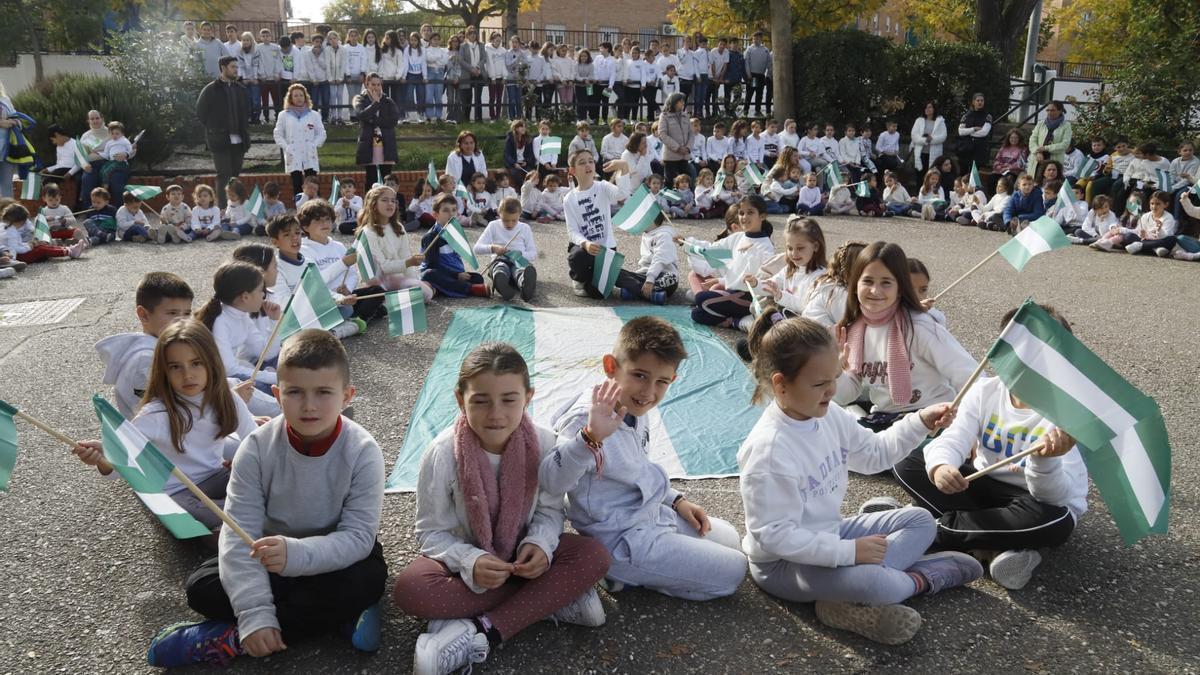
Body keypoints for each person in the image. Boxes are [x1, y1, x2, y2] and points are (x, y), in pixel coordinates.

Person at [147, 330, 388, 667]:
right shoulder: (257, 447)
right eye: (294, 392)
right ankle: (333, 619)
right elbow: (236, 530)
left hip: (336, 553)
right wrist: (254, 611)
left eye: (323, 392)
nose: (308, 405)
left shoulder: (363, 451)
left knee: (367, 581)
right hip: (267, 550)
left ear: (347, 395)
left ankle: (229, 641)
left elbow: (359, 538)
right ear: (276, 395)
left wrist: (296, 555)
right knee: (202, 586)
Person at [738, 313, 975, 645]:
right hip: (782, 566)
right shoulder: (769, 451)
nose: (832, 390)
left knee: (921, 520)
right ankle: (918, 579)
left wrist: (920, 421)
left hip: (829, 534)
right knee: (877, 584)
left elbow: (874, 454)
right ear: (781, 384)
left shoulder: (828, 412)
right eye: (820, 384)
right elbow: (774, 537)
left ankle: (842, 600)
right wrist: (849, 553)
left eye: (834, 378)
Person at [393, 343, 610, 675]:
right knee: (411, 589)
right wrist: (471, 560)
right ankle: (551, 600)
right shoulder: (441, 454)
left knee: (594, 555)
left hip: (524, 562)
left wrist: (539, 544)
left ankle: (478, 630)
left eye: (509, 400)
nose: (496, 414)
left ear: (528, 396)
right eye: (480, 401)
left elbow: (551, 511)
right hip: (468, 567)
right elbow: (431, 532)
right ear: (459, 400)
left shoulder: (546, 443)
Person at [542, 316, 748, 599]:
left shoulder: (634, 407)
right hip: (622, 541)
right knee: (734, 571)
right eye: (639, 375)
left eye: (661, 381)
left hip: (651, 515)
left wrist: (676, 500)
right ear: (611, 367)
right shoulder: (586, 418)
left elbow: (639, 469)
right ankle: (621, 573)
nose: (649, 392)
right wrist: (589, 437)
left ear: (672, 379)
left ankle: (644, 572)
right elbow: (551, 481)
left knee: (732, 539)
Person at [893, 305, 1087, 590]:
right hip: (982, 485)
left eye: (1041, 358)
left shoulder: (1065, 412)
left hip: (1031, 500)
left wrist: (1046, 461)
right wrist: (941, 466)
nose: (1027, 365)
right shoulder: (985, 391)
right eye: (1017, 353)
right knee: (908, 461)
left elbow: (1057, 497)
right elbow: (954, 437)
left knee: (1054, 521)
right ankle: (997, 546)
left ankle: (924, 527)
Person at [79, 319, 257, 537]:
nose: (187, 374)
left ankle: (240, 520)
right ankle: (237, 524)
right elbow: (119, 466)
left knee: (264, 485)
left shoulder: (227, 398)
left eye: (196, 363)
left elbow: (255, 440)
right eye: (175, 367)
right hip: (177, 493)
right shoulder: (155, 415)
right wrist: (102, 456)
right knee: (204, 519)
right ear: (164, 371)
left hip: (217, 476)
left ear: (211, 362)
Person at [834, 242, 977, 434]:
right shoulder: (853, 330)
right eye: (867, 281)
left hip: (932, 420)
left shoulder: (919, 327)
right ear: (854, 285)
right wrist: (834, 372)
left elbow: (970, 376)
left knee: (894, 464)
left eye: (886, 282)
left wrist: (970, 428)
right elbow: (846, 395)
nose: (875, 291)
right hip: (885, 420)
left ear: (900, 288)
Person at [688, 195, 776, 331]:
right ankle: (733, 320)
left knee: (701, 299)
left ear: (762, 216)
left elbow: (764, 277)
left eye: (750, 212)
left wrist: (751, 259)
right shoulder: (738, 237)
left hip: (747, 296)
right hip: (731, 291)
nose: (744, 217)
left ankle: (738, 320)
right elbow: (712, 249)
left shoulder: (765, 246)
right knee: (697, 314)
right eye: (741, 213)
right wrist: (688, 243)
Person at [298, 199, 384, 335]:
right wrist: (343, 263)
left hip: (345, 297)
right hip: (323, 301)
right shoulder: (303, 250)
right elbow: (316, 283)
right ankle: (356, 320)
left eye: (327, 219)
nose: (324, 223)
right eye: (318, 220)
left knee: (377, 291)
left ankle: (356, 319)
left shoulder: (338, 246)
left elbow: (352, 274)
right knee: (358, 308)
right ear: (305, 227)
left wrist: (348, 290)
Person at [198, 261, 281, 393]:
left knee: (287, 358)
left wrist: (274, 321)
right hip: (220, 381)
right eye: (260, 290)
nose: (263, 295)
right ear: (245, 297)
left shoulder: (242, 315)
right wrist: (273, 377)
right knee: (267, 388)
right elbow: (229, 369)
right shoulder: (220, 321)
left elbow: (266, 354)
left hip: (238, 370)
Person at [562, 150, 634, 298]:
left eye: (591, 161)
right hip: (585, 249)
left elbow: (623, 194)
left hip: (606, 248)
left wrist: (624, 166)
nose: (588, 164)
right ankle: (579, 279)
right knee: (577, 257)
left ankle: (594, 279)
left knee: (597, 294)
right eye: (582, 162)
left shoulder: (603, 186)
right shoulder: (569, 198)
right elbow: (572, 231)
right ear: (572, 170)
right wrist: (585, 243)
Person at [356, 184, 433, 301]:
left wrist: (416, 282)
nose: (390, 204)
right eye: (384, 200)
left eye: (393, 201)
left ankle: (394, 300)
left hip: (396, 278)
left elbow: (405, 257)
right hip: (378, 280)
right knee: (377, 294)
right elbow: (383, 267)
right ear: (373, 205)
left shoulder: (399, 227)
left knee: (425, 292)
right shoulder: (368, 231)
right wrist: (408, 262)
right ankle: (388, 301)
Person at [197, 56, 252, 209]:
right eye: (233, 67)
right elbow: (201, 113)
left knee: (235, 175)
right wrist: (214, 128)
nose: (236, 70)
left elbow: (247, 110)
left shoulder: (241, 89)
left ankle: (236, 207)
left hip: (239, 138)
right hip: (219, 139)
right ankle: (222, 209)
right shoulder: (210, 89)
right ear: (223, 67)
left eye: (236, 67)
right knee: (224, 175)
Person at [746, 216, 826, 315]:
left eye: (800, 248)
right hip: (787, 317)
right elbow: (770, 285)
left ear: (815, 246)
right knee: (760, 304)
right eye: (790, 248)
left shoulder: (821, 276)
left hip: (803, 322)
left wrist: (781, 296)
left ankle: (745, 323)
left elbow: (804, 306)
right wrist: (755, 283)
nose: (794, 253)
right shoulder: (789, 269)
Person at [420, 194, 487, 298]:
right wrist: (455, 275)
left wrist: (460, 274)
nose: (451, 214)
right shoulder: (431, 237)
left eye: (454, 210)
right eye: (446, 210)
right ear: (435, 214)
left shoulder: (455, 233)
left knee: (478, 278)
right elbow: (432, 265)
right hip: (440, 273)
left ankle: (441, 289)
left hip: (455, 274)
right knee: (429, 274)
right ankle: (470, 289)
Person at [472, 196, 538, 302]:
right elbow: (476, 248)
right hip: (499, 259)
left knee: (521, 270)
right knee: (500, 268)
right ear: (499, 214)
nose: (510, 224)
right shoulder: (493, 225)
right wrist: (493, 248)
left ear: (520, 214)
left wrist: (519, 254)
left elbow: (533, 253)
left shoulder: (525, 228)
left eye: (514, 220)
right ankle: (501, 283)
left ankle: (525, 286)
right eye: (505, 220)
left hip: (519, 260)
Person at [273, 83, 326, 199]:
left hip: (309, 153)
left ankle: (317, 208)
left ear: (305, 97)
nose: (299, 98)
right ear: (290, 98)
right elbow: (277, 134)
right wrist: (287, 147)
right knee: (297, 185)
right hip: (294, 154)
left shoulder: (314, 115)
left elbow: (321, 133)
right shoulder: (284, 115)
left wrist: (314, 145)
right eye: (295, 95)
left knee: (313, 183)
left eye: (301, 95)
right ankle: (300, 210)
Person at [353, 73, 400, 187]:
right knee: (371, 178)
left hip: (386, 144)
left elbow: (393, 121)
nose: (376, 87)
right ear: (367, 84)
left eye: (378, 84)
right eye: (373, 84)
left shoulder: (388, 101)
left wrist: (373, 120)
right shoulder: (359, 99)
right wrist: (376, 103)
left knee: (386, 178)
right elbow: (362, 115)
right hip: (369, 144)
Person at [1027, 101, 1072, 185]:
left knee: (1052, 186)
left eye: (1052, 110)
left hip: (1054, 160)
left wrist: (1046, 148)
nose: (1049, 112)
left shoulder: (1066, 125)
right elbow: (1032, 140)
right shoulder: (1041, 123)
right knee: (1034, 184)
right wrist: (1037, 152)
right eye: (1048, 110)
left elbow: (1065, 144)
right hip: (1038, 159)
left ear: (1060, 111)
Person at [1121, 190, 1178, 256]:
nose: (1154, 206)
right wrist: (1141, 234)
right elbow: (1138, 231)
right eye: (1152, 203)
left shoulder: (1169, 217)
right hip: (1147, 240)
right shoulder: (1145, 216)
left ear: (1166, 205)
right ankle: (1155, 249)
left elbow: (1166, 235)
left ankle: (1141, 246)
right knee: (1129, 236)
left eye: (1158, 204)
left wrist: (1159, 230)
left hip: (1159, 240)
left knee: (1172, 239)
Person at [659, 92, 695, 184]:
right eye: (681, 101)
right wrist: (677, 147)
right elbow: (663, 134)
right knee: (671, 183)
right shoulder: (664, 116)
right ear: (674, 102)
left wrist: (688, 148)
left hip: (684, 156)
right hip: (671, 157)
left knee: (686, 182)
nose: (683, 103)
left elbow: (691, 133)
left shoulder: (685, 116)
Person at [956, 92, 992, 175]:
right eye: (978, 100)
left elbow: (984, 132)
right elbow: (960, 132)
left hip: (978, 150)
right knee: (963, 173)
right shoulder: (966, 115)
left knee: (974, 175)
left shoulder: (988, 116)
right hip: (965, 150)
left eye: (982, 100)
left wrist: (968, 132)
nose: (980, 102)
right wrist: (974, 129)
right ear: (973, 102)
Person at [458, 26, 487, 122]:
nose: (473, 35)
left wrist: (478, 68)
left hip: (479, 73)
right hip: (467, 74)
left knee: (478, 98)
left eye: (474, 33)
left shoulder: (481, 45)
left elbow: (484, 58)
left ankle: (479, 119)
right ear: (467, 35)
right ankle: (466, 119)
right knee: (468, 98)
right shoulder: (463, 46)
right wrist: (471, 69)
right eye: (470, 33)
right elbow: (461, 60)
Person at [909, 102, 946, 174]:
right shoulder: (919, 121)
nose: (927, 109)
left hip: (934, 153)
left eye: (930, 107)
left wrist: (932, 139)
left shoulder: (940, 121)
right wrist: (925, 140)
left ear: (934, 109)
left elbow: (943, 136)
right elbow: (914, 135)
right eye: (926, 107)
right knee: (920, 175)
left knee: (932, 175)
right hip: (921, 153)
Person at [503, 119, 537, 184]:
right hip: (514, 164)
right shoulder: (510, 139)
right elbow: (507, 154)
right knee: (516, 173)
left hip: (524, 163)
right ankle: (523, 188)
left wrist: (526, 161)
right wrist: (514, 163)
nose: (524, 128)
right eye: (521, 127)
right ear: (516, 128)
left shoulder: (527, 138)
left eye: (524, 127)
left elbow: (530, 153)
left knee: (531, 173)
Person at [745, 32, 770, 116]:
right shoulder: (749, 49)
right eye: (754, 38)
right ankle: (745, 110)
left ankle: (757, 110)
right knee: (749, 94)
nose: (755, 40)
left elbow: (768, 63)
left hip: (761, 75)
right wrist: (748, 74)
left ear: (761, 39)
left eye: (757, 38)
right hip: (752, 75)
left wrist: (766, 73)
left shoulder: (765, 50)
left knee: (759, 94)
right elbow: (746, 62)